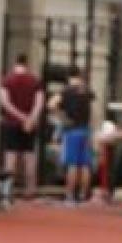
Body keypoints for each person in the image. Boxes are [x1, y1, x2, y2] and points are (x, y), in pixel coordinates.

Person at [0, 54, 44, 203]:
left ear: (15, 63)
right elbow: (39, 103)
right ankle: (30, 190)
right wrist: (31, 118)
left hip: (11, 123)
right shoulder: (35, 81)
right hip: (29, 124)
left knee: (10, 156)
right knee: (29, 156)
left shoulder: (6, 80)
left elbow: (5, 103)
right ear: (27, 64)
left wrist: (20, 116)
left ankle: (7, 190)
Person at [49, 66, 95, 205]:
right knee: (85, 163)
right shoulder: (87, 90)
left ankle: (70, 195)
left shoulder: (66, 90)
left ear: (68, 77)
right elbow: (91, 110)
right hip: (85, 130)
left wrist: (62, 117)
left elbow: (51, 104)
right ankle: (82, 194)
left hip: (72, 129)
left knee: (73, 164)